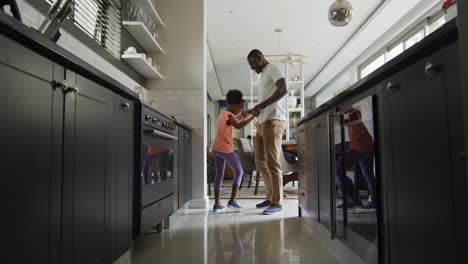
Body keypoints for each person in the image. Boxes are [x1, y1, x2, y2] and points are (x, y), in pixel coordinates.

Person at [246, 49, 288, 215]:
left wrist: (261, 106)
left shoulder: (273, 68)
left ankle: (277, 203)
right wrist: (257, 110)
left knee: (272, 162)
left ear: (260, 58)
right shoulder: (264, 75)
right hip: (263, 121)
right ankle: (271, 197)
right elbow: (267, 99)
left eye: (253, 63)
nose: (252, 67)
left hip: (274, 120)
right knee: (260, 162)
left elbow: (283, 90)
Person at [211, 89, 258, 212]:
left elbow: (236, 119)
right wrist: (254, 116)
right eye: (240, 107)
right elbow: (238, 125)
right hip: (225, 149)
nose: (241, 109)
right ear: (234, 104)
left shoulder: (223, 114)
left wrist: (246, 113)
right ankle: (232, 201)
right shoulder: (229, 116)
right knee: (239, 172)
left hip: (216, 148)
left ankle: (217, 204)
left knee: (219, 175)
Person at [336, 108, 377, 210]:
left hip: (360, 147)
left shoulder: (354, 113)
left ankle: (352, 200)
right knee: (368, 175)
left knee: (338, 170)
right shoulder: (353, 113)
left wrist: (337, 118)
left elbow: (348, 122)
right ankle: (375, 201)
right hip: (367, 147)